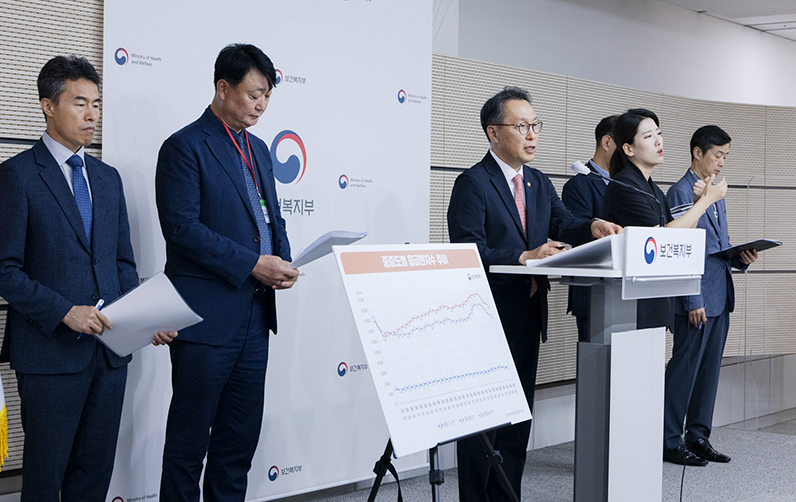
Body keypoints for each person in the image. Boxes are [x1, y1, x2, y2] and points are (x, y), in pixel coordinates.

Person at [0, 55, 175, 502]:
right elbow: (5, 271)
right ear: (48, 105)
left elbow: (121, 263)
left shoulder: (107, 178)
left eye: (96, 104)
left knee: (93, 480)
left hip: (109, 356)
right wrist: (65, 312)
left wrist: (144, 319)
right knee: (44, 482)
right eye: (80, 103)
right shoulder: (16, 176)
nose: (92, 115)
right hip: (49, 357)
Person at [447, 86, 621, 502]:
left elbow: (563, 223)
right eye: (521, 126)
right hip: (487, 315)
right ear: (493, 132)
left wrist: (592, 226)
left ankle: (508, 496)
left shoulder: (538, 181)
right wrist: (523, 256)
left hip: (528, 312)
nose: (532, 135)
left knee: (517, 415)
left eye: (535, 125)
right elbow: (467, 250)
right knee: (483, 422)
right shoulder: (473, 182)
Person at [155, 43, 298, 501]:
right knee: (188, 445)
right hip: (204, 321)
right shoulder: (184, 147)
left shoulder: (259, 149)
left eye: (268, 96)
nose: (262, 105)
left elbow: (271, 218)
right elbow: (182, 229)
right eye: (254, 94)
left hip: (255, 319)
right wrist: (253, 264)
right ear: (222, 88)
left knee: (237, 445)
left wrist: (283, 259)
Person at [662, 126, 757, 466]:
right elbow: (679, 249)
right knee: (684, 371)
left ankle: (698, 436)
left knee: (708, 373)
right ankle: (668, 440)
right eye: (718, 155)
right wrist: (692, 299)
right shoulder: (681, 191)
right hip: (697, 299)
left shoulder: (715, 191)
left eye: (726, 156)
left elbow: (716, 246)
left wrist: (740, 259)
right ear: (697, 152)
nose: (722, 162)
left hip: (719, 294)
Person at [602, 109, 727, 333]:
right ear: (628, 149)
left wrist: (700, 202)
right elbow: (662, 237)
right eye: (648, 136)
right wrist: (707, 201)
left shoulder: (653, 189)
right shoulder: (624, 186)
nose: (658, 141)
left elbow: (681, 235)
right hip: (630, 307)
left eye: (659, 134)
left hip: (655, 299)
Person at [562, 115, 618, 341]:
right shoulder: (578, 185)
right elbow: (577, 232)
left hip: (627, 292)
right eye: (626, 144)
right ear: (607, 142)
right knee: (595, 360)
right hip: (595, 292)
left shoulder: (627, 184)